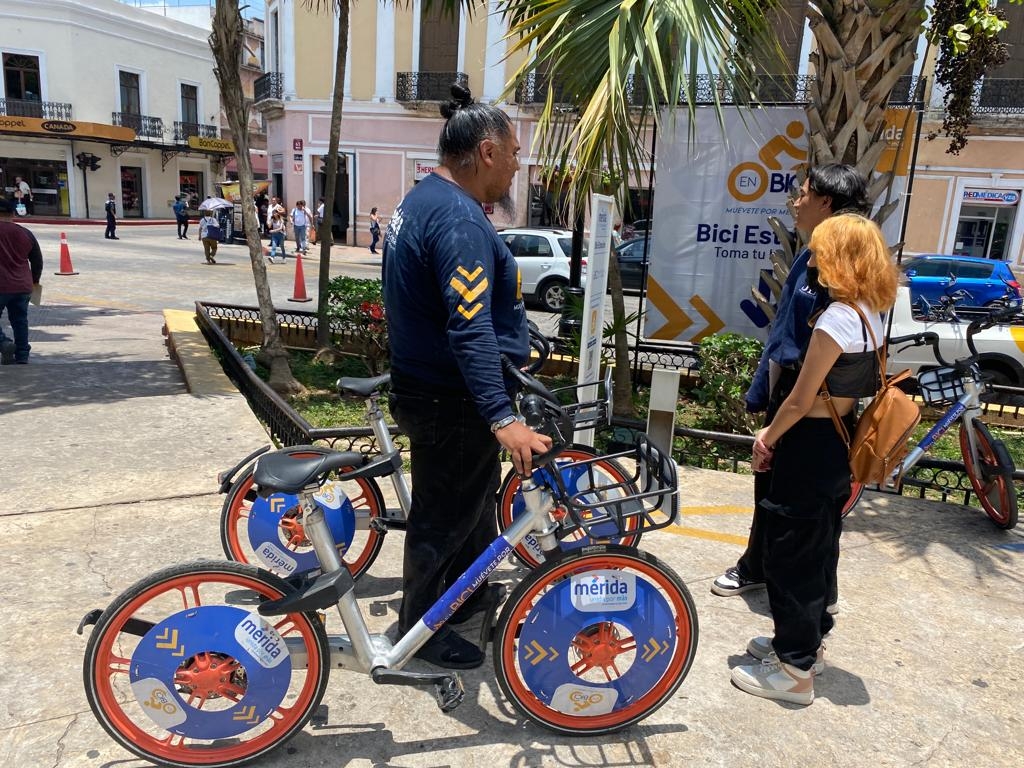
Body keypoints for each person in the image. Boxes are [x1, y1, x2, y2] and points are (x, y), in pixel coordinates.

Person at [382, 84, 551, 669]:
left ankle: (464, 595)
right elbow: (469, 327)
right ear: (485, 152)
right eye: (513, 155)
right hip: (449, 400)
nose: (515, 167)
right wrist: (502, 417)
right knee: (442, 515)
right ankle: (420, 630)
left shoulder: (423, 199)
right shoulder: (460, 222)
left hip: (433, 389)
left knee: (470, 505)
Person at [730, 213, 898, 705]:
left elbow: (801, 400)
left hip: (808, 439)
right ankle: (806, 644)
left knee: (791, 553)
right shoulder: (871, 311)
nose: (816, 259)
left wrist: (767, 436)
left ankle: (794, 671)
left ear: (841, 258)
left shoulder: (836, 318)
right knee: (819, 545)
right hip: (837, 442)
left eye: (824, 251)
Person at [711, 164, 869, 609]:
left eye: (802, 194)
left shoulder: (840, 271)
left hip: (815, 406)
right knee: (777, 493)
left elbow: (823, 350)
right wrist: (763, 390)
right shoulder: (809, 256)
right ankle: (771, 571)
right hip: (793, 397)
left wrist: (777, 422)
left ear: (826, 202)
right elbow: (783, 332)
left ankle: (800, 600)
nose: (795, 203)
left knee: (798, 506)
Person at [0, 198, 43, 364]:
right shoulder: (25, 233)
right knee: (20, 320)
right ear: (12, 213)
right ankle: (22, 354)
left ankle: (4, 343)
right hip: (23, 286)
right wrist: (34, 282)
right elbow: (37, 261)